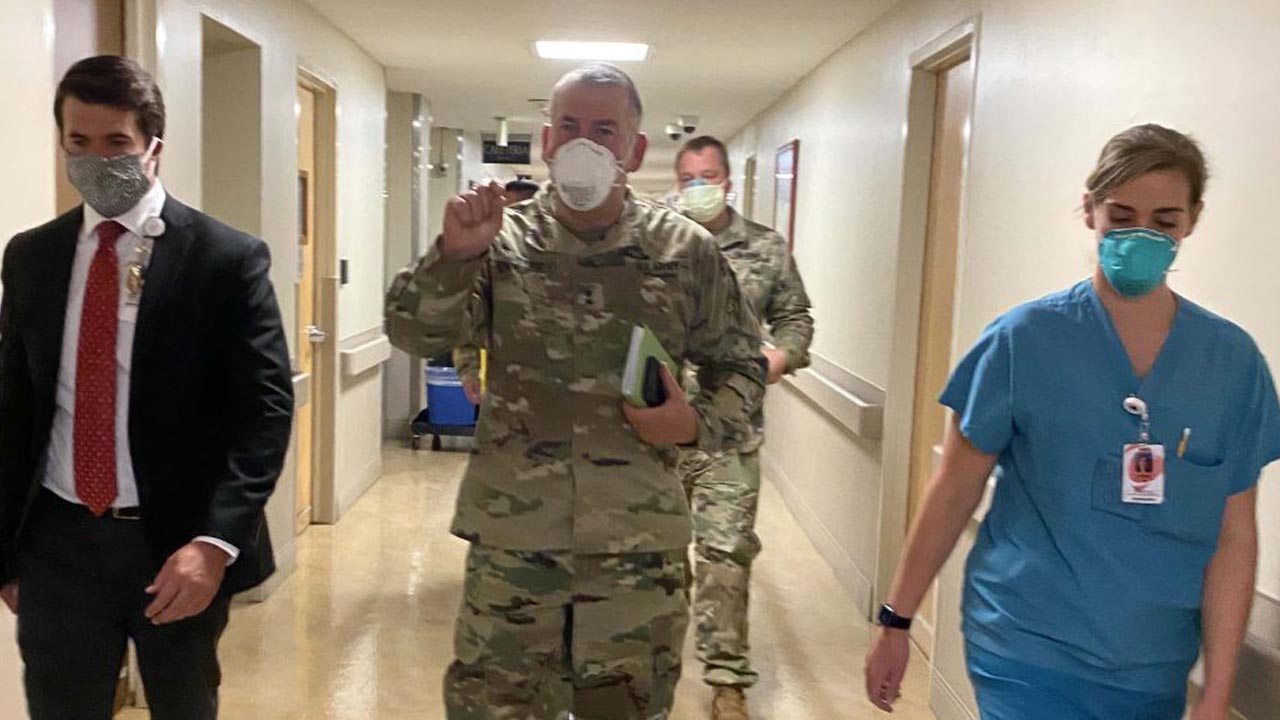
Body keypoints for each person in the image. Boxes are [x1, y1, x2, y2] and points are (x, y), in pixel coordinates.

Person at [385, 63, 766, 720]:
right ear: (546, 142)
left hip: (636, 549)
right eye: (569, 126)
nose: (584, 142)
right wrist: (451, 258)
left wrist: (693, 423)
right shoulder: (496, 241)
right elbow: (415, 334)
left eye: (604, 129)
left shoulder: (686, 252)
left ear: (634, 149)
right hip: (514, 543)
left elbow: (742, 370)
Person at [864, 124, 1280, 720]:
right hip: (1026, 646)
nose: (1141, 236)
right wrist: (896, 622)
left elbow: (1234, 534)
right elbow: (954, 489)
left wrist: (1217, 692)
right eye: (1121, 214)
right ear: (1090, 211)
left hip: (1153, 664)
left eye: (1163, 221)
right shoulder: (1023, 341)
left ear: (1191, 221)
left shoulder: (1231, 363)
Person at [0, 56, 293, 719]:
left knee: (183, 706)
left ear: (153, 146)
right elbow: (14, 404)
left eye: (116, 143)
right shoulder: (32, 257)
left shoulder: (224, 257)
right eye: (79, 142)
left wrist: (215, 544)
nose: (95, 159)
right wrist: (6, 551)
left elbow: (266, 410)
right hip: (59, 540)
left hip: (174, 544)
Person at [672, 135, 814, 720]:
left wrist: (780, 358)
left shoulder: (765, 248)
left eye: (708, 176)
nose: (699, 187)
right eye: (688, 178)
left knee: (725, 555)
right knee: (650, 557)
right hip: (656, 430)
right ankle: (644, 671)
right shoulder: (656, 242)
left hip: (731, 431)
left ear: (728, 181)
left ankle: (727, 680)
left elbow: (796, 316)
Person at [452, 177, 541, 404]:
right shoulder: (488, 251)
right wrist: (469, 369)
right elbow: (466, 317)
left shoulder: (552, 254)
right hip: (505, 390)